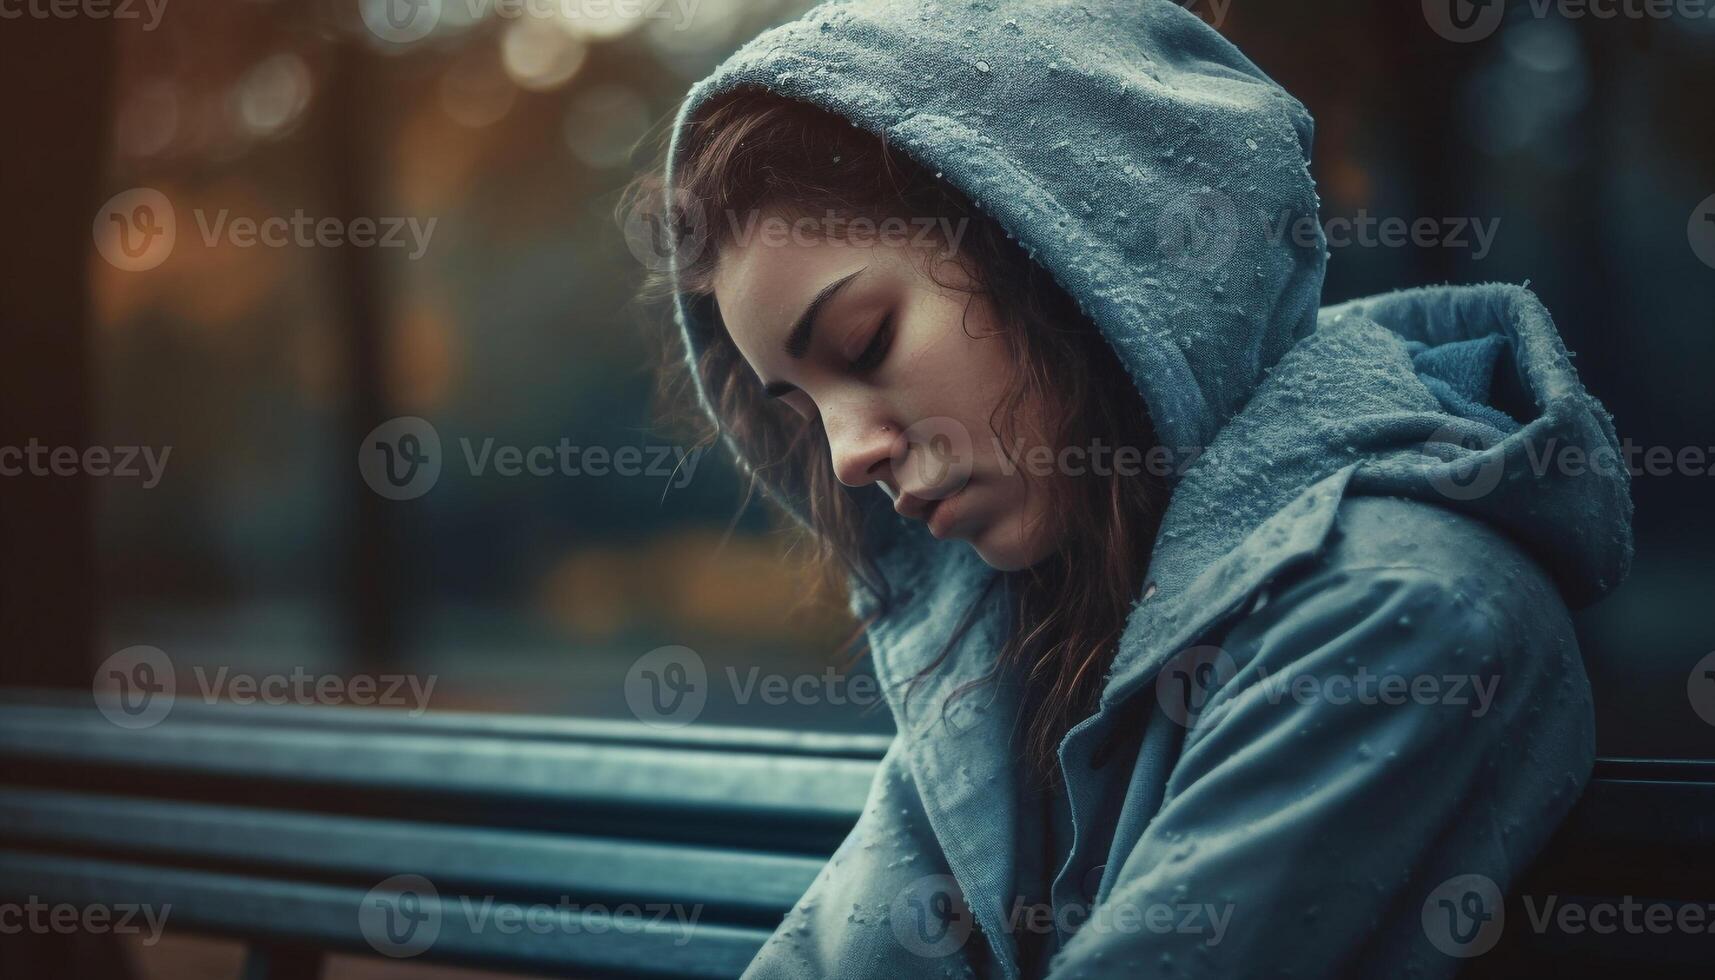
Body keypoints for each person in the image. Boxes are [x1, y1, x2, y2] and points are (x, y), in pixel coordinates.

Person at [627, 1, 1633, 976]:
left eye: (863, 341)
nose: (845, 455)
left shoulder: (1396, 614)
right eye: (801, 408)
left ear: (1060, 250)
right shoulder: (1020, 639)